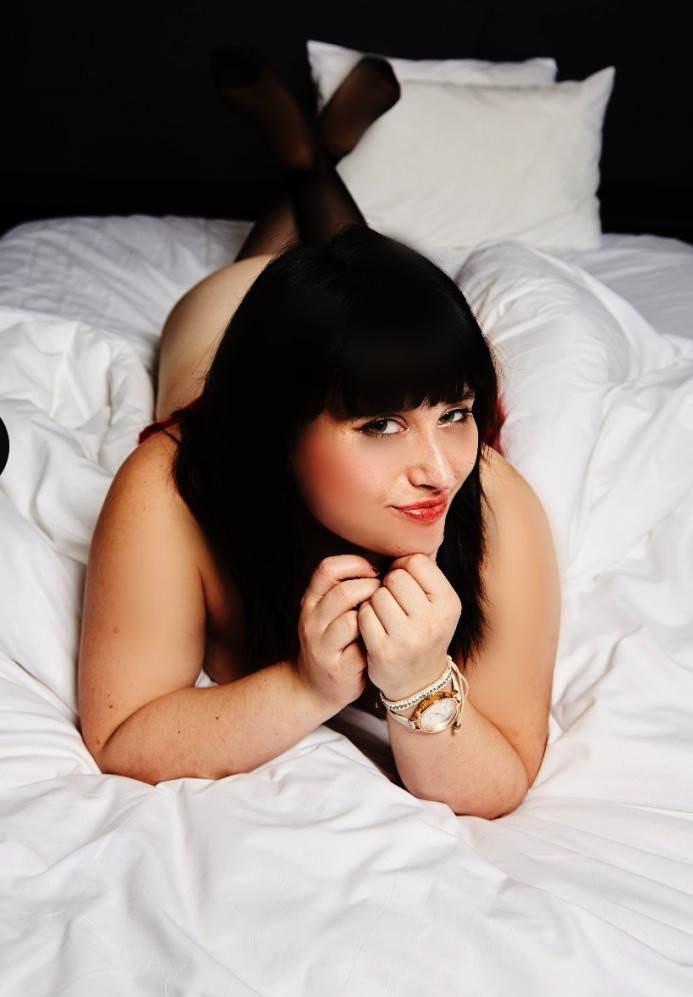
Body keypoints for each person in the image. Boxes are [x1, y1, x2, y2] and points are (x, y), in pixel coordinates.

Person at [77, 46, 560, 818]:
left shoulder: (493, 497)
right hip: (221, 354)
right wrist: (306, 686)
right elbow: (122, 736)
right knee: (270, 280)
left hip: (353, 362)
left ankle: (307, 160)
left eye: (456, 415)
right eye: (380, 426)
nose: (439, 470)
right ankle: (311, 160)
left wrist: (418, 683)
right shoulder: (171, 483)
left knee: (365, 287)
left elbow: (502, 777)